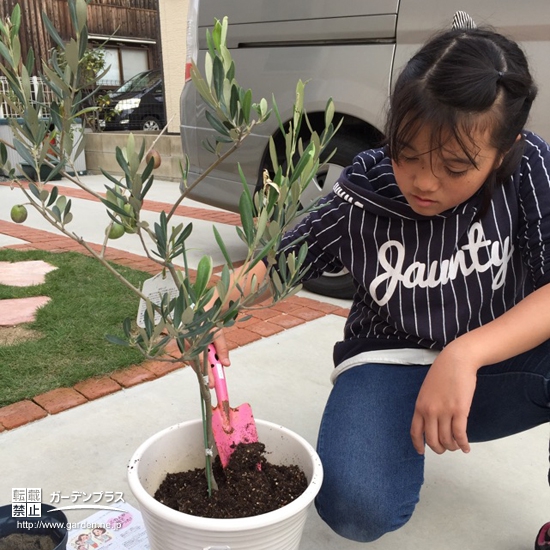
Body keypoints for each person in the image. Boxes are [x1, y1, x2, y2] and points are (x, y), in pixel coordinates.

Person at [212, 12, 550, 547]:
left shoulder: (528, 168)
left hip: (494, 360)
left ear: (502, 153)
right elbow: (282, 261)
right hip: (392, 361)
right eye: (406, 153)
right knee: (356, 509)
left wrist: (464, 354)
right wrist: (214, 307)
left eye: (455, 167)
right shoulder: (366, 187)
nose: (423, 181)